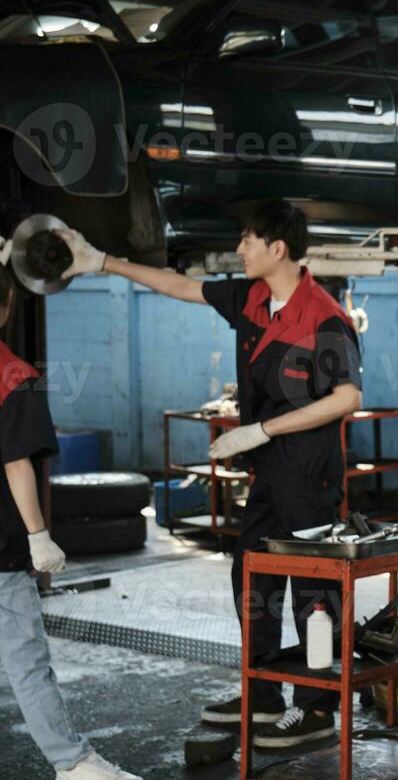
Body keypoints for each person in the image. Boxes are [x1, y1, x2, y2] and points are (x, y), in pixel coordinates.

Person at [60, 199, 363, 748]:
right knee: (251, 578)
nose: (238, 249)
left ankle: (317, 709)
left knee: (314, 594)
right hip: (268, 476)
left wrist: (262, 430)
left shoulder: (324, 317)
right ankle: (265, 696)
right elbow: (180, 286)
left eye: (248, 240)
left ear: (278, 249)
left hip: (309, 477)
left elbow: (346, 396)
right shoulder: (250, 298)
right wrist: (102, 261)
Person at [0, 240, 144, 780]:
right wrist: (39, 537)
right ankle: (71, 763)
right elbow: (17, 465)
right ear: (8, 302)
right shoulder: (12, 374)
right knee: (26, 658)